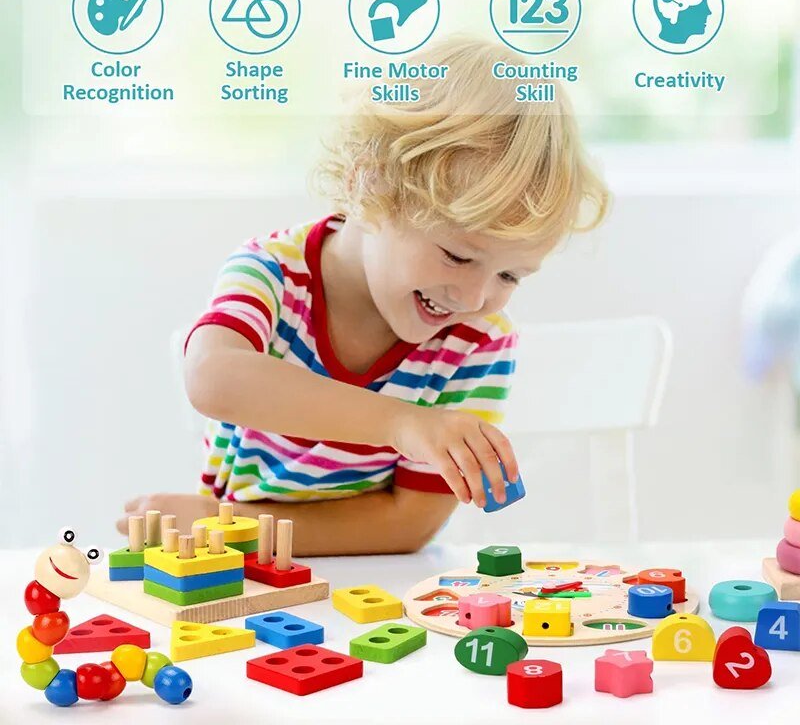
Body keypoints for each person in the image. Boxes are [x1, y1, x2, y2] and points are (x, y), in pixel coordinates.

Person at [117, 35, 609, 554]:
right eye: (458, 256)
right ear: (369, 184)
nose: (472, 297)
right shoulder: (273, 274)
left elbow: (407, 526)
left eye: (510, 277)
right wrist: (403, 423)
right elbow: (213, 378)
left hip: (331, 568)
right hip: (243, 566)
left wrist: (228, 527)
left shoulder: (478, 342)